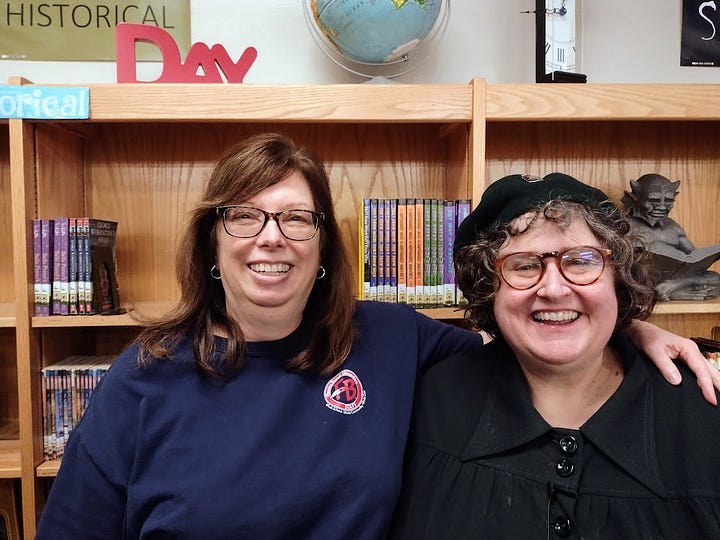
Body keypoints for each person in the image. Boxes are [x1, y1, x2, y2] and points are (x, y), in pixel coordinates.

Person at [36, 137, 719, 539]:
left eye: (297, 218)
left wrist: (628, 320)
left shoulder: (392, 341)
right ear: (212, 241)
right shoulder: (144, 377)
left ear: (323, 244)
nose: (272, 238)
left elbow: (535, 335)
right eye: (244, 217)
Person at [389, 173, 720, 539]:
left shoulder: (705, 416)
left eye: (580, 261)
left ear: (618, 278)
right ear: (490, 290)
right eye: (524, 265)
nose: (553, 288)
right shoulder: (434, 402)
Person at [621, 172, 720, 301]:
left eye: (668, 200)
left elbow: (693, 260)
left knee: (715, 279)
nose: (662, 206)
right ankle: (666, 291)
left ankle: (671, 288)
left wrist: (677, 282)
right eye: (653, 200)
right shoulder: (625, 227)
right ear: (635, 198)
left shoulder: (673, 227)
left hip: (674, 279)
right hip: (638, 284)